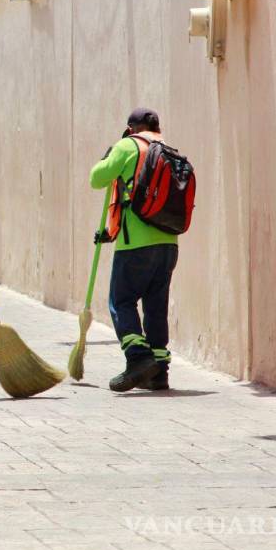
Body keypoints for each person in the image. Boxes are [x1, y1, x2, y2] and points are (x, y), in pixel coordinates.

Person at [90, 107, 178, 392]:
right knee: (156, 307)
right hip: (168, 242)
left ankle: (138, 359)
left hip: (135, 245)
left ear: (131, 128)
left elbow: (97, 178)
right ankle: (159, 372)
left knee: (121, 300)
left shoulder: (128, 146)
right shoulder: (166, 148)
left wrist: (107, 159)